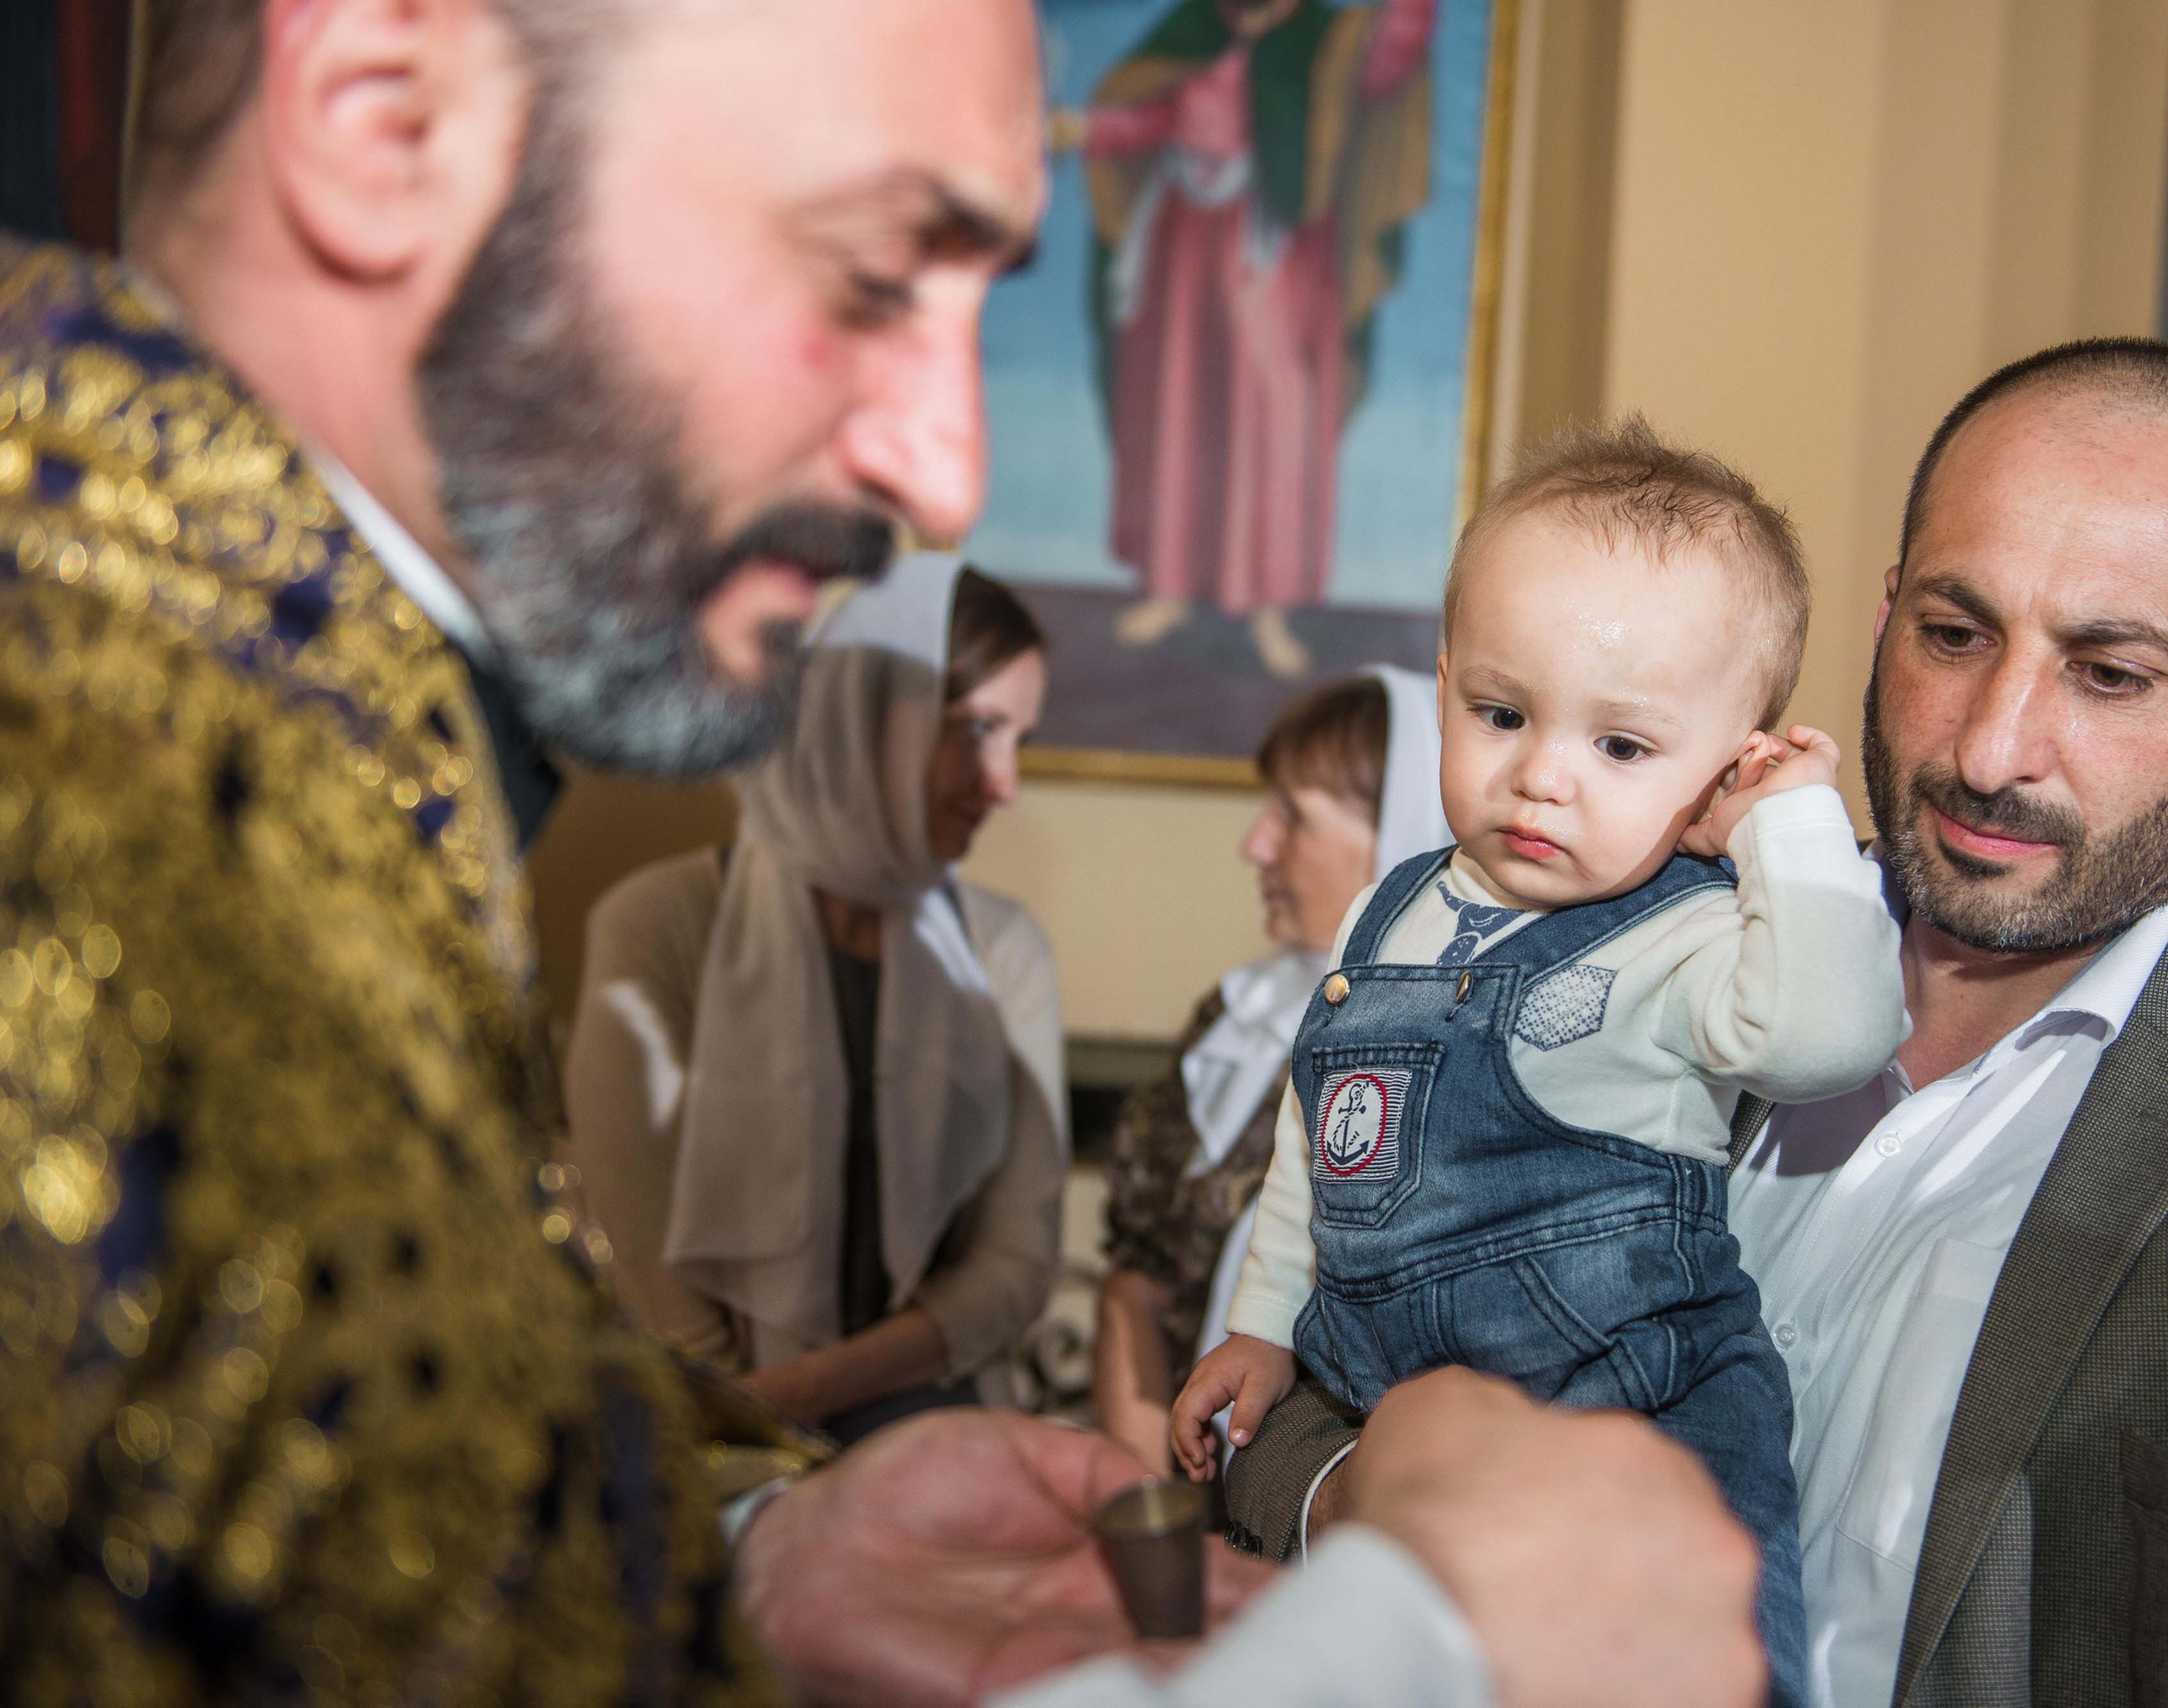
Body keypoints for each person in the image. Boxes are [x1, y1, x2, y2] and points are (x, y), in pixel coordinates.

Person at [0, 1, 1774, 1700]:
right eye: (866, 275)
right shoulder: (63, 774)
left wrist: (749, 1539)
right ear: (384, 124)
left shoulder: (256, 698)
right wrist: (1419, 1650)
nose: (946, 471)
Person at [1228, 339, 2168, 1705]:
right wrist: (1365, 1511)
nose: (1991, 745)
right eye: (1954, 633)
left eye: (2108, 672)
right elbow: (1302, 1344)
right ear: (1884, 619)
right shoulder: (1623, 915)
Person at [1180, 417, 1909, 1707]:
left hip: (1636, 1398)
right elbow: (1324, 1128)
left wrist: (1788, 828)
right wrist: (1262, 1321)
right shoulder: (1387, 910)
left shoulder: (1691, 934)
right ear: (1449, 675)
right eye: (1502, 713)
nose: (1539, 779)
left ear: (1730, 760)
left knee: (1709, 1637)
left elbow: (1830, 1035)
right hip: (1372, 1390)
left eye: (1621, 747)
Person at [564, 557, 1064, 1442]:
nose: (1006, 785)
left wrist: (799, 1400)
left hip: (931, 1427)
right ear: (867, 717)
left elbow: (1015, 1264)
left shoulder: (1003, 945)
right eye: (979, 729)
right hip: (698, 1428)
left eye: (1019, 739)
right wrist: (752, 1439)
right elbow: (640, 1250)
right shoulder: (659, 924)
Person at [1091, 666, 1447, 1475]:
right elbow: (1135, 1279)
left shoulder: (1443, 1061)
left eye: (1294, 815)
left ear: (1396, 835)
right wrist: (1146, 1492)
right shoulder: (1236, 1018)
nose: (1255, 842)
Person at [1051, 0, 1436, 681]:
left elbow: (1386, 60)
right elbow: (1149, 115)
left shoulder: (1323, 40)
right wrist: (1079, 127)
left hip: (1274, 254)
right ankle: (1170, 586)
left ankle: (1269, 606)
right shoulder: (1197, 28)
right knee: (1177, 410)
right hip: (1182, 246)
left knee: (1276, 420)